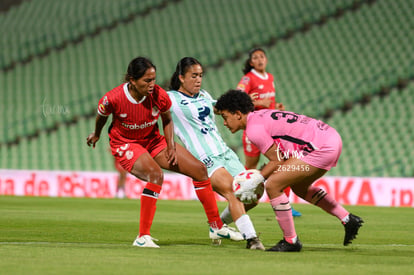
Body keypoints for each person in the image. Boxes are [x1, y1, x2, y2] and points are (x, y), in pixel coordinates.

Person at [86, 57, 241, 248]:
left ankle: (216, 226)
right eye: (147, 81)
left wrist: (170, 146)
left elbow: (167, 119)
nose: (152, 85)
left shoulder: (158, 94)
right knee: (155, 175)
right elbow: (102, 116)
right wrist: (97, 134)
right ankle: (142, 237)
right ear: (132, 80)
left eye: (154, 79)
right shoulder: (114, 98)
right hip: (126, 143)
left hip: (152, 139)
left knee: (200, 170)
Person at [214, 89, 364, 252]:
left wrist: (257, 179)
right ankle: (348, 219)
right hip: (330, 138)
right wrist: (260, 175)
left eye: (225, 117)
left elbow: (277, 160)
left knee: (273, 186)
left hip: (320, 146)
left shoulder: (253, 129)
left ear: (237, 114)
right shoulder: (261, 116)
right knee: (299, 187)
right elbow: (280, 158)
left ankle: (291, 241)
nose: (224, 123)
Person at [167, 57, 265, 250]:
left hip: (225, 152)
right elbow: (149, 106)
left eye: (201, 75)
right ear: (181, 78)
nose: (198, 80)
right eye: (193, 76)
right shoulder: (171, 99)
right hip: (205, 158)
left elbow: (221, 108)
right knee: (235, 193)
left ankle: (218, 225)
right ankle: (252, 239)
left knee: (252, 195)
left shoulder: (203, 95)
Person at [237, 47, 301, 217]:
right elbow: (238, 97)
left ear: (266, 59)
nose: (259, 60)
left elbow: (269, 102)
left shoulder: (270, 77)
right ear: (251, 62)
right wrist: (258, 103)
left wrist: (275, 106)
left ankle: (285, 202)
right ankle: (241, 199)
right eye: (255, 57)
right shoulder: (248, 78)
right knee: (250, 166)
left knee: (284, 161)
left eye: (262, 56)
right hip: (254, 128)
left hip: (270, 128)